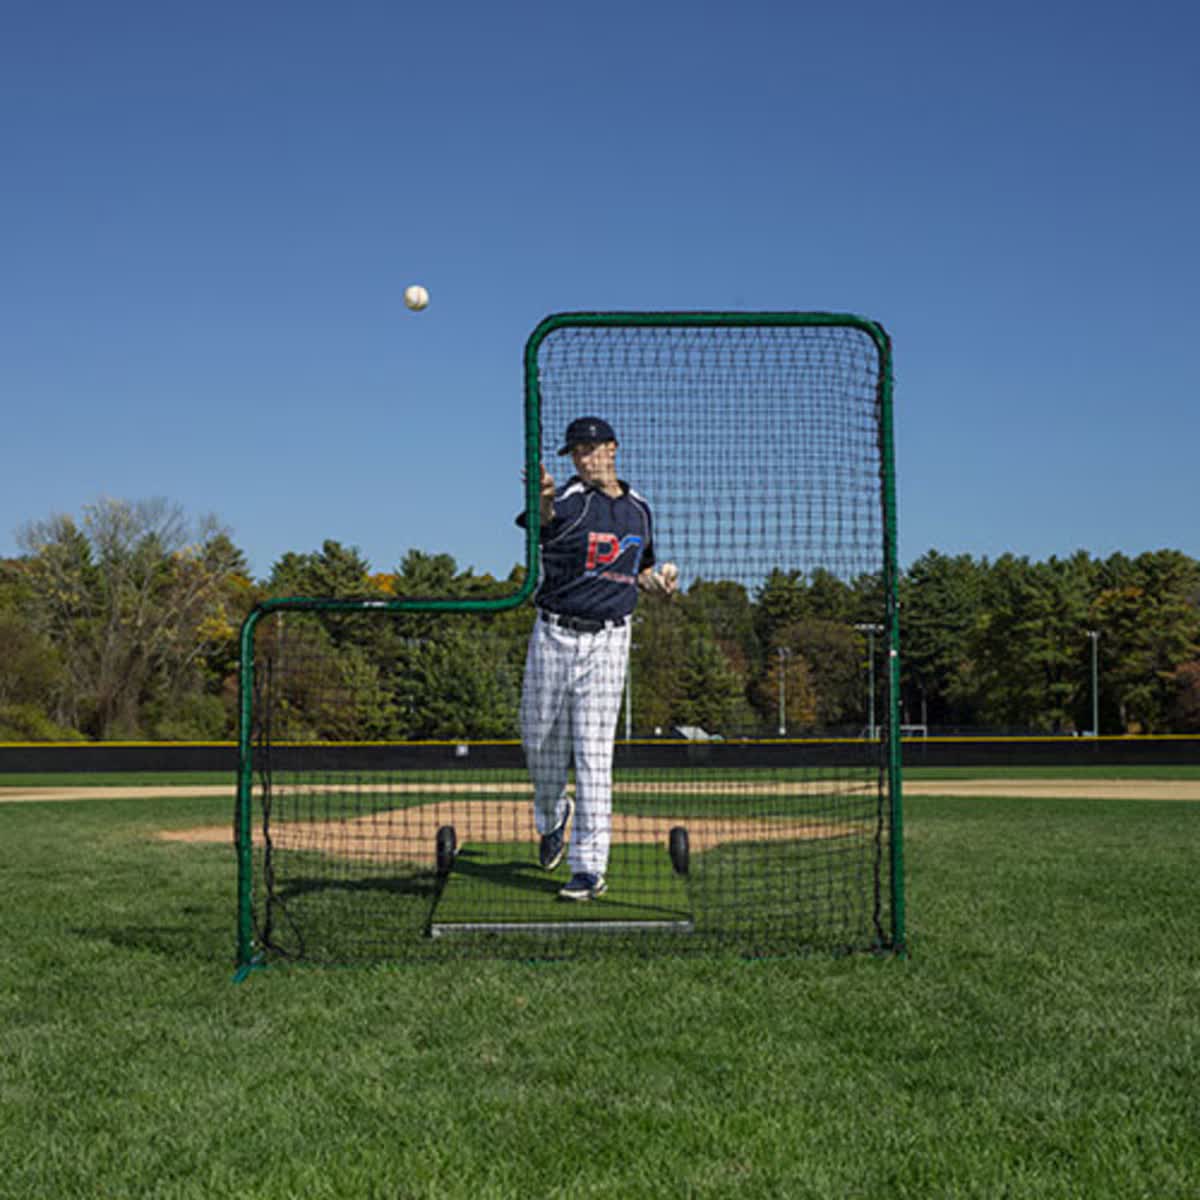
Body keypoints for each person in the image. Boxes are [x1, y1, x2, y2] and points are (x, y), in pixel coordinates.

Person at [516, 416, 677, 901]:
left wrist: (659, 584)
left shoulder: (640, 510)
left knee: (593, 754)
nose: (584, 459)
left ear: (612, 448)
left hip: (610, 640)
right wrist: (542, 495)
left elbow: (640, 570)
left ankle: (589, 867)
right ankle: (551, 815)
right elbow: (544, 521)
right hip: (554, 634)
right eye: (577, 452)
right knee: (538, 743)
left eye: (590, 449)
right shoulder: (568, 499)